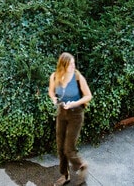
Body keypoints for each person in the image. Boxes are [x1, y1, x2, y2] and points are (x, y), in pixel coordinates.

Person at [48, 52, 92, 185]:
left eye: (74, 63)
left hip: (76, 114)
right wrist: (54, 99)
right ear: (63, 65)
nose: (73, 66)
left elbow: (88, 96)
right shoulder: (55, 76)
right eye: (70, 64)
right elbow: (51, 91)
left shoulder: (78, 77)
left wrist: (74, 103)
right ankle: (65, 175)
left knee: (69, 148)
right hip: (61, 113)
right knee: (60, 148)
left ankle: (81, 165)